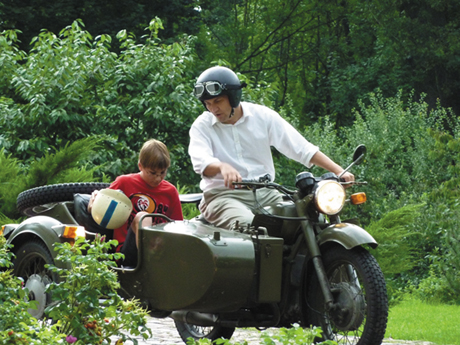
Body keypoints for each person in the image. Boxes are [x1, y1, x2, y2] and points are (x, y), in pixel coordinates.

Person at [188, 66, 354, 230]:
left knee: (310, 218)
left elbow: (301, 148)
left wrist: (339, 171)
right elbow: (201, 162)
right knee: (251, 227)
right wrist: (221, 166)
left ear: (233, 97)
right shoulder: (202, 126)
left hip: (266, 192)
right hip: (222, 196)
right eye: (208, 103)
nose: (213, 109)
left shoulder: (262, 116)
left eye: (218, 101)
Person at [88, 139, 183, 266]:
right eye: (153, 173)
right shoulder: (124, 183)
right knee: (143, 217)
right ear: (140, 166)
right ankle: (151, 264)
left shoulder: (170, 191)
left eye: (163, 173)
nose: (158, 178)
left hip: (162, 252)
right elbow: (97, 210)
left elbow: (178, 227)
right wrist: (94, 200)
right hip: (126, 253)